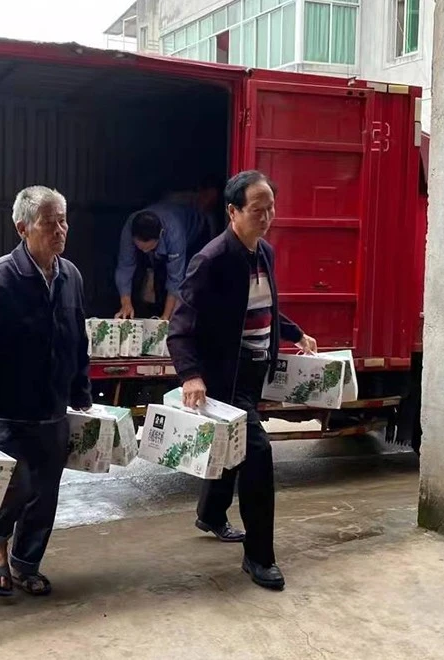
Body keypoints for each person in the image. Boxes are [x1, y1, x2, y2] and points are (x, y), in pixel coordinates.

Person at [167, 170, 317, 591]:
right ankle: (259, 556)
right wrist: (191, 376)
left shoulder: (264, 251)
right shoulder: (212, 260)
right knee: (258, 456)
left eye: (271, 208)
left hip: (253, 372)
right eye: (257, 210)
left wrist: (294, 333)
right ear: (233, 212)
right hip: (223, 377)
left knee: (233, 447)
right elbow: (180, 327)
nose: (266, 217)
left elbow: (262, 306)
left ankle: (211, 514)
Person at [0, 185, 92, 598]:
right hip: (7, 410)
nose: (60, 230)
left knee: (45, 493)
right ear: (22, 228)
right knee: (15, 487)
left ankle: (26, 563)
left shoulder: (71, 276)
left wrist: (81, 390)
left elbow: (77, 339)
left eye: (63, 221)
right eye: (49, 223)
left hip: (52, 408)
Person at [114, 198, 210, 320]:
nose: (144, 251)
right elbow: (125, 266)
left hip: (195, 234)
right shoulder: (129, 228)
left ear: (160, 234)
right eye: (140, 247)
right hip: (164, 237)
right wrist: (125, 304)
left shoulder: (174, 234)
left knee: (191, 282)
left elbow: (175, 278)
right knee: (151, 277)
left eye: (148, 247)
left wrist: (165, 317)